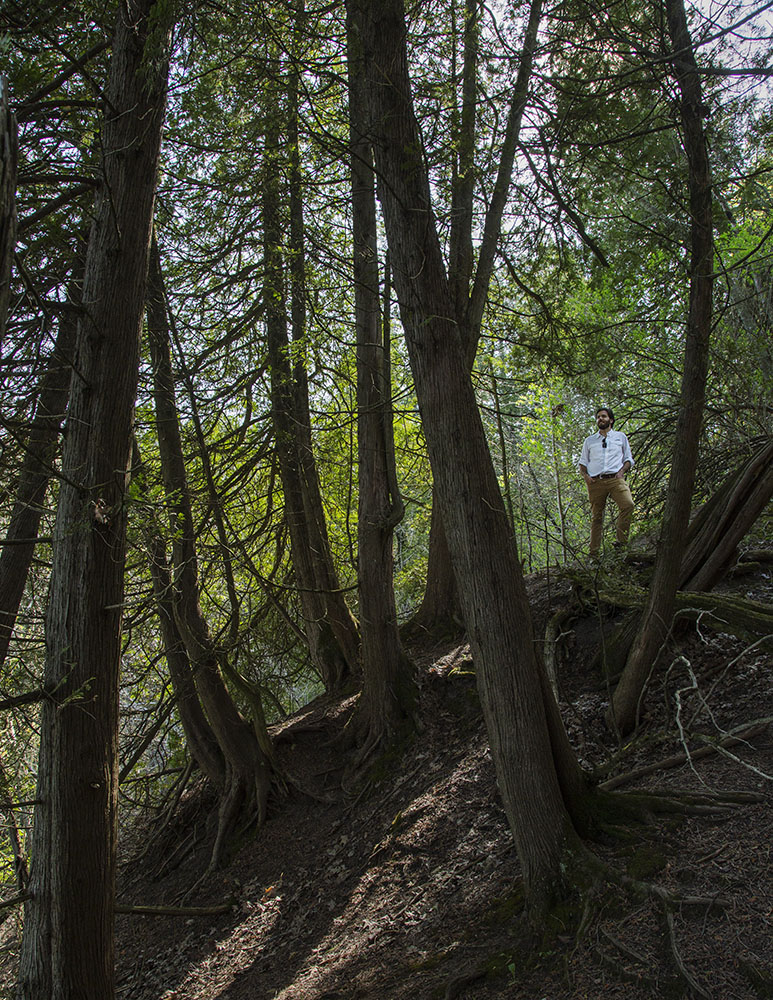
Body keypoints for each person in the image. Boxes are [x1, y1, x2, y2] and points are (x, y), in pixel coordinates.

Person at [579, 407, 634, 557]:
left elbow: (628, 459)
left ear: (611, 419)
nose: (600, 419)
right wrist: (587, 478)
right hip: (596, 482)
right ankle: (594, 554)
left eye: (603, 416)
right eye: (598, 417)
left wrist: (621, 472)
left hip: (615, 479)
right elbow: (583, 463)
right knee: (597, 517)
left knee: (628, 505)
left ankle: (621, 544)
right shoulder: (589, 441)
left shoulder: (620, 437)